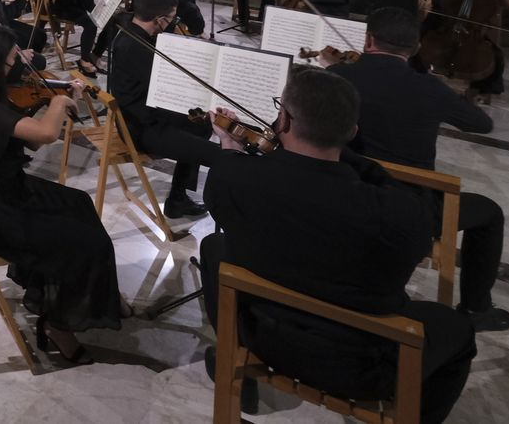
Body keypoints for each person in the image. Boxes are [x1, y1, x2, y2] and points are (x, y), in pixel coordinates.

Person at [200, 68, 477, 424]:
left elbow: (229, 168)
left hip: (264, 339)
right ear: (352, 133)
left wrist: (229, 144)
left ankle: (229, 354)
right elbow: (393, 194)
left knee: (215, 246)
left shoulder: (231, 180)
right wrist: (344, 152)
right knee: (457, 329)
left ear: (283, 119)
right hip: (361, 370)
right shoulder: (399, 216)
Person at [324, 8, 509, 332]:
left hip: (348, 190)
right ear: (415, 48)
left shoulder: (339, 74)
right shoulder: (429, 87)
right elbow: (481, 124)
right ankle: (476, 308)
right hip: (409, 207)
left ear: (368, 40)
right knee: (490, 213)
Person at [0, 25, 123, 362]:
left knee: (79, 202)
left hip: (7, 187)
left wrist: (56, 105)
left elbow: (30, 141)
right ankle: (59, 325)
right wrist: (58, 101)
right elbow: (45, 135)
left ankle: (90, 294)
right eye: (11, 60)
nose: (17, 66)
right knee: (90, 243)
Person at [104, 0, 219, 218]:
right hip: (140, 128)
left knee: (202, 125)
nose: (174, 23)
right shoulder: (137, 48)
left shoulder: (128, 28)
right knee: (217, 154)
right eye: (172, 19)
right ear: (159, 20)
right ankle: (205, 204)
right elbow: (166, 92)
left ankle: (178, 198)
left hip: (139, 115)